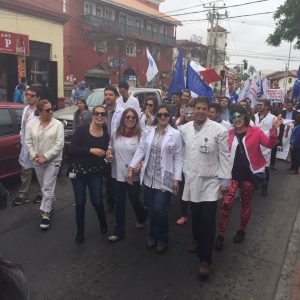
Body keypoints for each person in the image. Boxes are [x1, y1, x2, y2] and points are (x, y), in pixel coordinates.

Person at [215, 105, 281, 251]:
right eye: (234, 117)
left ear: (245, 117)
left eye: (239, 116)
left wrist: (274, 130)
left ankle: (241, 230)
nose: (237, 119)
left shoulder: (255, 131)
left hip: (249, 176)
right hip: (232, 176)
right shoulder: (229, 133)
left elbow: (269, 145)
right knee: (226, 204)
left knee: (245, 204)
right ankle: (220, 235)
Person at [180, 96, 231, 279]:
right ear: (193, 110)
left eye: (204, 108)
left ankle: (205, 260)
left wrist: (225, 181)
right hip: (192, 180)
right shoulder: (184, 129)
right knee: (196, 215)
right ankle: (196, 238)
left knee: (208, 220)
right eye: (198, 108)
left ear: (208, 111)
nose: (200, 111)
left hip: (210, 182)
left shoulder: (219, 130)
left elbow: (225, 157)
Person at [127, 104, 183, 254]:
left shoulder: (175, 134)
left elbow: (178, 158)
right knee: (151, 209)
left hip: (166, 178)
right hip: (149, 176)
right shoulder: (148, 131)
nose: (162, 117)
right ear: (156, 116)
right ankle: (152, 235)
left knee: (159, 209)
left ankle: (163, 238)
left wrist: (177, 178)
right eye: (160, 115)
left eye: (165, 115)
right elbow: (141, 150)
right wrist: (131, 167)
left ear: (169, 116)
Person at [69, 105, 109, 244]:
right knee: (80, 202)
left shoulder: (105, 133)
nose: (99, 116)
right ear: (92, 116)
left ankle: (103, 222)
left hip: (95, 173)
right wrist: (90, 150)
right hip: (79, 172)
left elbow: (105, 152)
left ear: (105, 117)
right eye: (97, 113)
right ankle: (80, 232)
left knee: (97, 201)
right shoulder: (82, 130)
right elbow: (72, 148)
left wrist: (108, 156)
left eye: (102, 114)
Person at [107, 108, 147, 242]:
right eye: (127, 117)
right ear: (123, 119)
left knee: (134, 199)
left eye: (133, 117)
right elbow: (110, 147)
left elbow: (146, 154)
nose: (130, 119)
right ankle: (118, 232)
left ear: (136, 119)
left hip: (134, 174)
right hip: (118, 174)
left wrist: (141, 163)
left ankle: (142, 216)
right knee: (120, 203)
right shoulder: (115, 133)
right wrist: (109, 153)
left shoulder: (142, 135)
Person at [25, 100, 64, 229]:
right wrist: (35, 156)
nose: (51, 112)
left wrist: (46, 157)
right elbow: (28, 141)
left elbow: (59, 144)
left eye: (51, 108)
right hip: (37, 161)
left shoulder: (58, 124)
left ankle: (45, 214)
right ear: (40, 112)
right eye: (47, 110)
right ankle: (50, 205)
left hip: (53, 161)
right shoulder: (31, 123)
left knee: (47, 187)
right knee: (45, 187)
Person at [13, 87, 42, 206]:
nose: (28, 97)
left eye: (32, 95)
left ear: (38, 98)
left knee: (41, 172)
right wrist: (22, 141)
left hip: (38, 146)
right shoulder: (25, 109)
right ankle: (23, 195)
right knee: (25, 171)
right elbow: (22, 127)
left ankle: (43, 194)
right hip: (26, 146)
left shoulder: (41, 111)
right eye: (27, 94)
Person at [104, 86, 124, 212]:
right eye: (106, 94)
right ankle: (110, 200)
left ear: (116, 97)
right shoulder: (101, 111)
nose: (107, 96)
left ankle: (118, 200)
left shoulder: (122, 112)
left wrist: (111, 145)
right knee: (106, 176)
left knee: (116, 176)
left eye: (110, 94)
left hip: (117, 147)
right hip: (102, 146)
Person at [254, 99, 276, 197]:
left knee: (265, 168)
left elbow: (275, 132)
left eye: (261, 105)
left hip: (265, 146)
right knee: (254, 167)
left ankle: (264, 187)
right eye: (258, 104)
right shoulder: (253, 117)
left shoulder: (273, 118)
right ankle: (255, 184)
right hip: (254, 145)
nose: (258, 106)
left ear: (266, 106)